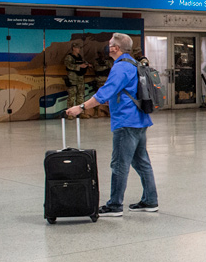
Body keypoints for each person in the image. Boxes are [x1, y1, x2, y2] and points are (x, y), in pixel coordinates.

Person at [66, 33, 158, 216]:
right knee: (142, 162)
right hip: (140, 120)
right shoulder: (134, 63)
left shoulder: (121, 67)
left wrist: (81, 107)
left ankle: (115, 205)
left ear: (115, 48)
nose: (108, 47)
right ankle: (150, 200)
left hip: (126, 122)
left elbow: (104, 92)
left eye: (110, 44)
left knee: (119, 164)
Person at [63, 42, 90, 119]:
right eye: (78, 48)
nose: (79, 50)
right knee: (72, 96)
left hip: (80, 79)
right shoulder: (69, 57)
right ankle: (70, 113)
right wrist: (79, 66)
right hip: (73, 79)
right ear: (74, 48)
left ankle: (81, 112)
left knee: (80, 96)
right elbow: (68, 65)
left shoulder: (79, 57)